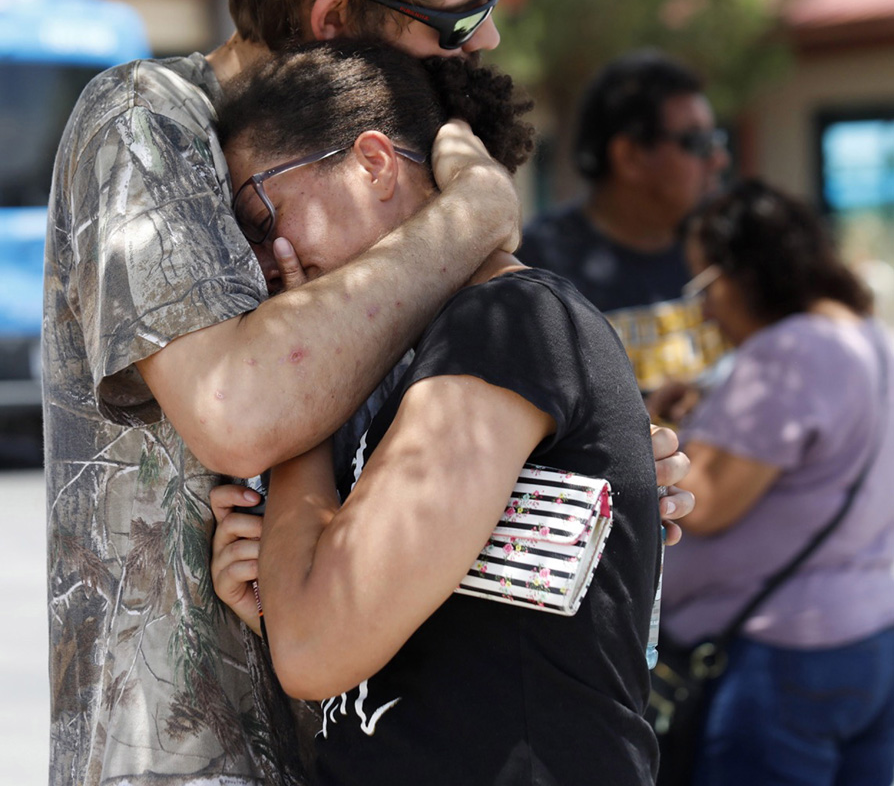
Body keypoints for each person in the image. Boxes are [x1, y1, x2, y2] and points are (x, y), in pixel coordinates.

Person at [42, 0, 690, 786]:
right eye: (458, 16)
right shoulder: (151, 119)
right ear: (335, 20)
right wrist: (469, 218)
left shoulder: (382, 205)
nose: (487, 43)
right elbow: (238, 408)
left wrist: (592, 482)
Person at [210, 39, 671, 786]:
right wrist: (282, 578)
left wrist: (295, 403)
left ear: (373, 162)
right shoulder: (421, 360)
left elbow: (316, 649)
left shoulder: (508, 323)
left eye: (262, 216)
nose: (263, 261)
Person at [647, 179, 894, 786]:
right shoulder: (866, 335)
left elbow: (702, 501)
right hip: (864, 636)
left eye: (703, 284)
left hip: (780, 655)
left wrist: (647, 421)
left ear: (747, 272)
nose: (703, 308)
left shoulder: (789, 353)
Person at [518, 49, 730, 392]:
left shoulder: (726, 249)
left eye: (717, 140)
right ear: (630, 157)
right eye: (698, 142)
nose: (719, 159)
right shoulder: (536, 272)